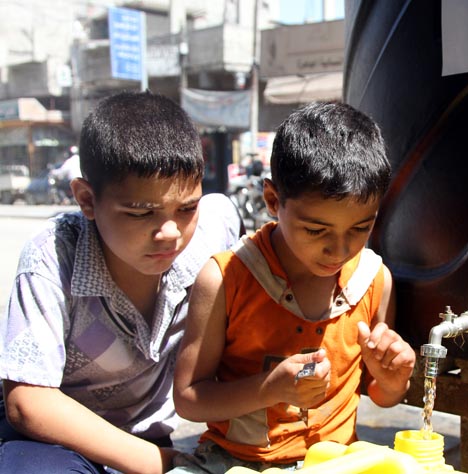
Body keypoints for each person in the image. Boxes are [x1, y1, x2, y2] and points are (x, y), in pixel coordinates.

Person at [0, 91, 244, 474]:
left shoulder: (208, 233)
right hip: (55, 445)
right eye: (140, 213)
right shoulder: (53, 257)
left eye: (185, 209)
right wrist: (158, 462)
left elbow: (266, 232)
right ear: (86, 200)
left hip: (147, 435)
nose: (169, 232)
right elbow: (28, 402)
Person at [170, 101, 416, 473]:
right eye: (316, 231)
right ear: (272, 200)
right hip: (236, 461)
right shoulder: (225, 279)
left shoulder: (373, 279)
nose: (340, 249)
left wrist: (393, 379)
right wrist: (269, 388)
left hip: (338, 463)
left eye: (360, 228)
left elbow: (380, 395)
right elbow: (188, 399)